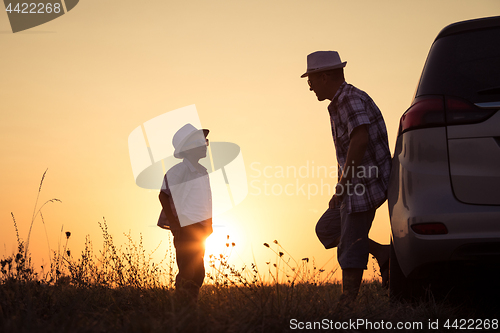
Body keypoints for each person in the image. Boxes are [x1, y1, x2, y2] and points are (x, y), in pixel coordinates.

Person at [301, 51, 391, 304]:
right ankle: (383, 253)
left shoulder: (349, 100)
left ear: (325, 77)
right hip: (356, 182)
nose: (310, 87)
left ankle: (348, 304)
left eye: (311, 81)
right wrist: (339, 188)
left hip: (365, 184)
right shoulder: (343, 100)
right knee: (327, 229)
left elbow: (359, 139)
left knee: (350, 244)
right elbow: (349, 148)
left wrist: (343, 186)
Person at [158, 123, 213, 303]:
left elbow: (205, 200)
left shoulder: (202, 172)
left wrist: (208, 224)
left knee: (198, 272)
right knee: (188, 270)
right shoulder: (179, 170)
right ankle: (182, 308)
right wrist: (175, 223)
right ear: (189, 149)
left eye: (205, 141)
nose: (205, 145)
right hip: (185, 226)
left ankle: (188, 307)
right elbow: (164, 195)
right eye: (201, 142)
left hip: (200, 228)